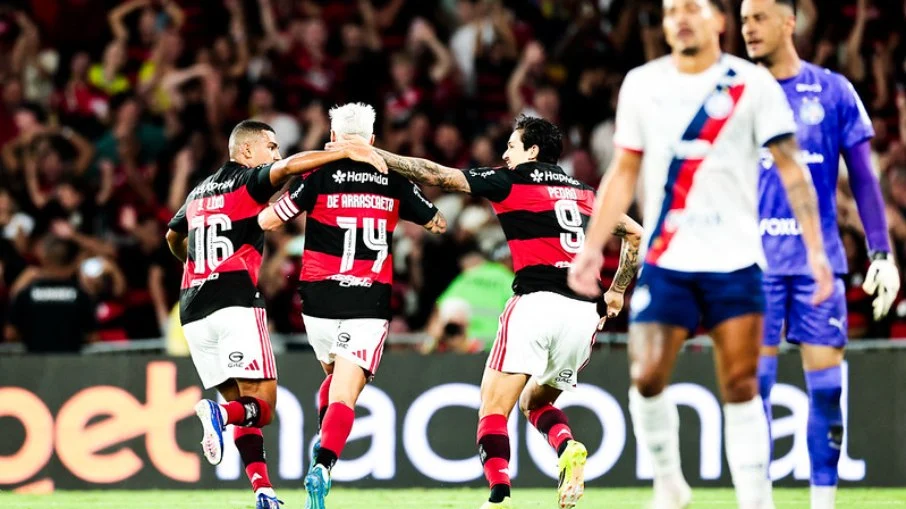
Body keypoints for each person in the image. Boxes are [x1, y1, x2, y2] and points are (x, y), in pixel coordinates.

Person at [566, 1, 834, 508]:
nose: (681, 18)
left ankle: (756, 501)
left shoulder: (752, 84)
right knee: (646, 377)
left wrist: (816, 251)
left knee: (740, 385)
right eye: (671, 11)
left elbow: (792, 169)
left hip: (736, 261)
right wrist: (591, 247)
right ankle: (669, 484)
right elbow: (623, 172)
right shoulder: (642, 84)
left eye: (692, 8)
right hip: (667, 259)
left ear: (719, 21)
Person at [331, 114, 643, 509]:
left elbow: (437, 175)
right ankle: (567, 446)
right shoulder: (584, 192)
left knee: (493, 409)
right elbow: (635, 233)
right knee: (536, 403)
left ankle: (499, 496)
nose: (505, 154)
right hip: (584, 314)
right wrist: (617, 291)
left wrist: (376, 155)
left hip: (536, 302)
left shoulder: (511, 180)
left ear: (532, 150)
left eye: (512, 146)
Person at [165, 119, 385, 509]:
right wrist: (344, 150)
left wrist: (194, 263)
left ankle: (263, 492)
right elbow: (289, 168)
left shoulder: (199, 191)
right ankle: (219, 414)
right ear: (247, 150)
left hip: (193, 310)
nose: (276, 154)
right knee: (262, 407)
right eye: (271, 146)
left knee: (244, 409)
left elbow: (172, 236)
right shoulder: (247, 181)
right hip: (234, 303)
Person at [740, 1, 901, 507]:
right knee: (756, 391)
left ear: (789, 22)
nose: (748, 29)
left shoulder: (833, 91)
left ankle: (823, 504)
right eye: (743, 20)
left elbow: (866, 181)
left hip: (819, 264)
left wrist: (881, 253)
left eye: (759, 18)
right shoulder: (735, 93)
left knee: (828, 392)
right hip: (755, 265)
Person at [256, 102, 446, 509]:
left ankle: (322, 445)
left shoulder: (317, 174)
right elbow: (438, 222)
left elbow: (269, 221)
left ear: (333, 137)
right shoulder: (392, 177)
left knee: (333, 376)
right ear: (372, 140)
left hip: (317, 297)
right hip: (368, 298)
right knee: (344, 394)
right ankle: (323, 464)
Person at [4, 236, 97, 352]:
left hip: (34, 360)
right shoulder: (81, 295)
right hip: (70, 361)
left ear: (45, 259)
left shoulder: (26, 294)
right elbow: (92, 337)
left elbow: (10, 334)